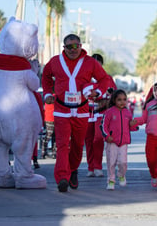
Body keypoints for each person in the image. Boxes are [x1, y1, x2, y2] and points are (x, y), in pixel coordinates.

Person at [42, 34, 111, 192]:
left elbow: (104, 79)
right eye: (69, 47)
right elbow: (45, 76)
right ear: (64, 48)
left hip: (82, 110)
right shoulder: (55, 62)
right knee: (62, 145)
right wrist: (47, 94)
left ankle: (73, 170)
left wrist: (98, 92)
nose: (73, 50)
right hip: (61, 110)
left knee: (78, 145)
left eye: (76, 46)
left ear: (80, 46)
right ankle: (62, 178)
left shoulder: (90, 62)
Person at [85, 53, 116, 178]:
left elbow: (114, 94)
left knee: (98, 139)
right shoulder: (84, 78)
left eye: (98, 64)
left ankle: (98, 166)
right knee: (88, 140)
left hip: (101, 113)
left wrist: (106, 99)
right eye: (93, 63)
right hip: (86, 113)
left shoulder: (107, 78)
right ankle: (90, 167)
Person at [100, 89, 138, 190]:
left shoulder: (127, 113)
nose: (122, 102)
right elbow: (103, 125)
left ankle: (121, 175)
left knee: (123, 162)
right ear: (114, 100)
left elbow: (130, 126)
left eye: (124, 99)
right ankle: (111, 180)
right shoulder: (109, 112)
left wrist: (134, 126)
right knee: (111, 162)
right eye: (119, 100)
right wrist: (107, 136)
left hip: (123, 142)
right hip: (112, 142)